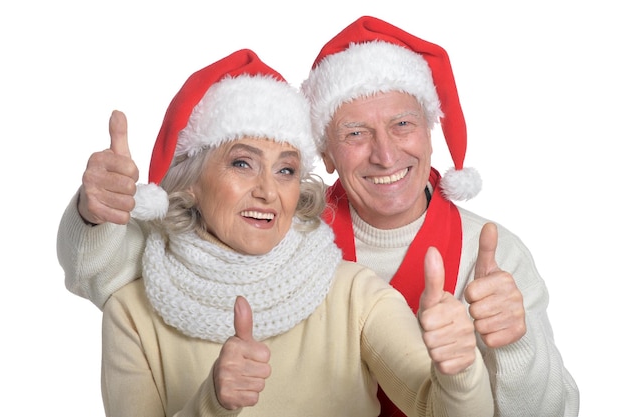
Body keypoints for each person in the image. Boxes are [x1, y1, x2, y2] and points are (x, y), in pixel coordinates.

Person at [56, 17, 578, 417]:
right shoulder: (287, 224)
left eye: (402, 123)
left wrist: (510, 344)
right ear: (324, 155)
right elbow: (118, 268)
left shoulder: (490, 257)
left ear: (430, 131)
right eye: (355, 133)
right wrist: (98, 207)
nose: (385, 154)